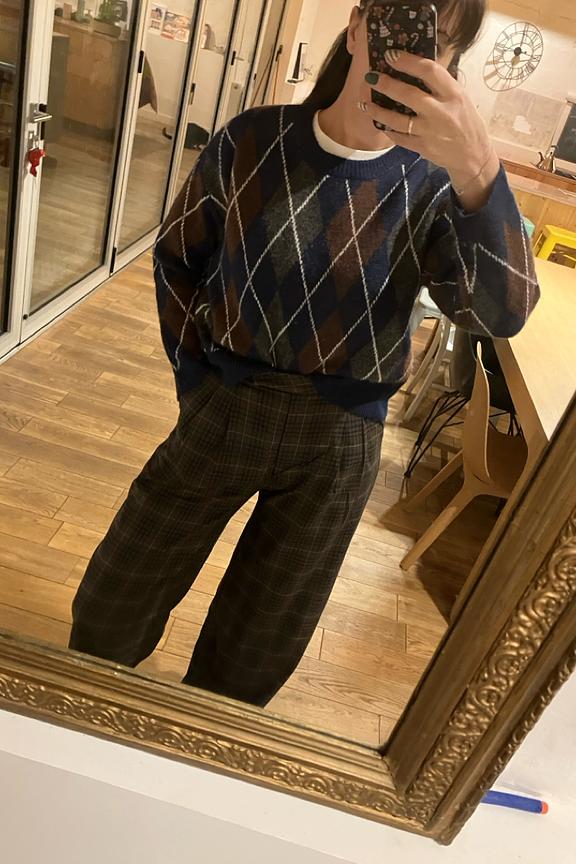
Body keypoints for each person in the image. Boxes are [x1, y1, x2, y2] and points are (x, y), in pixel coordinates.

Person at [69, 0, 540, 707]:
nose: (411, 57)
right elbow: (178, 259)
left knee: (256, 649)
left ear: (451, 66)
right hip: (228, 403)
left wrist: (479, 170)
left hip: (340, 439)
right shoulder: (251, 140)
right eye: (399, 27)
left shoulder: (439, 187)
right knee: (114, 600)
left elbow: (502, 314)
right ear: (357, 26)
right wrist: (195, 381)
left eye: (437, 45)